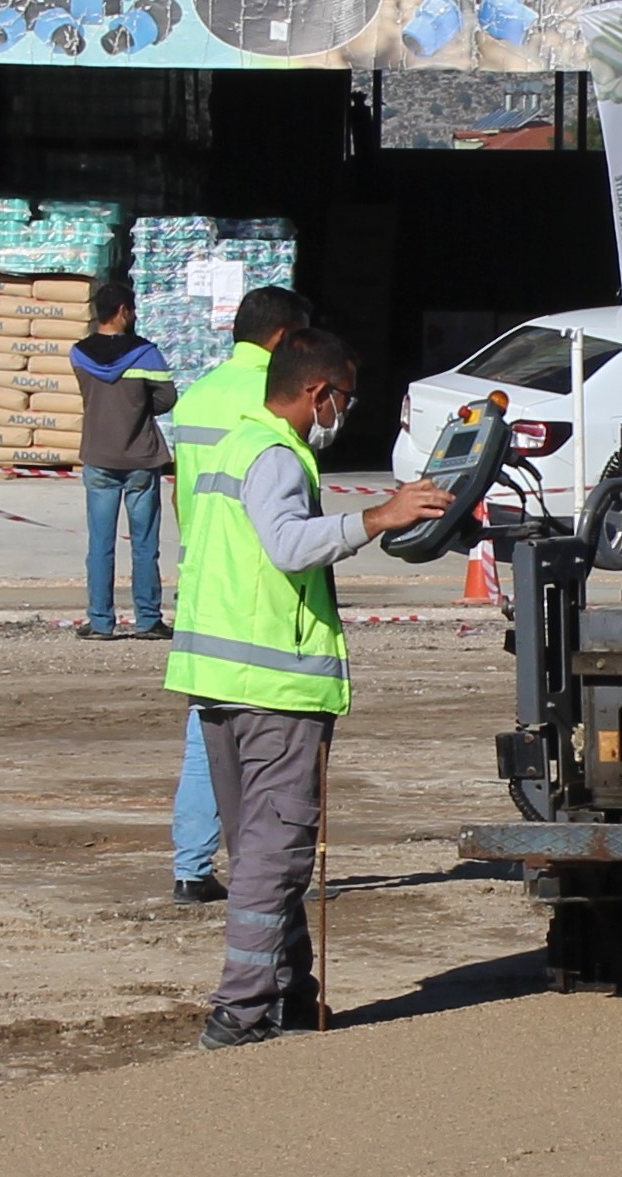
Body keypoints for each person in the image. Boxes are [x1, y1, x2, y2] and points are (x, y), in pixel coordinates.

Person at [164, 328, 449, 1047]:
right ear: (318, 392)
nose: (344, 414)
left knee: (258, 847)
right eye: (345, 400)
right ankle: (243, 1010)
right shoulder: (277, 457)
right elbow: (289, 546)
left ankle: (289, 998)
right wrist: (378, 519)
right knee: (276, 854)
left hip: (221, 681)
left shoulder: (232, 444)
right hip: (276, 689)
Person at [162, 286, 316, 905]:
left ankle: (192, 864)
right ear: (283, 339)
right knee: (266, 742)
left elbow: (181, 491)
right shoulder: (271, 403)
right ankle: (259, 871)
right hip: (256, 586)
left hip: (202, 574)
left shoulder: (197, 394)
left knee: (208, 727)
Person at [70, 287, 179, 641]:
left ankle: (101, 621)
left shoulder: (78, 354)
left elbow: (89, 394)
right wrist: (138, 407)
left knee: (100, 543)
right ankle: (148, 619)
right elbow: (167, 397)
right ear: (121, 311)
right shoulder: (146, 354)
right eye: (130, 309)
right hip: (141, 458)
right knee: (144, 543)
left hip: (98, 456)